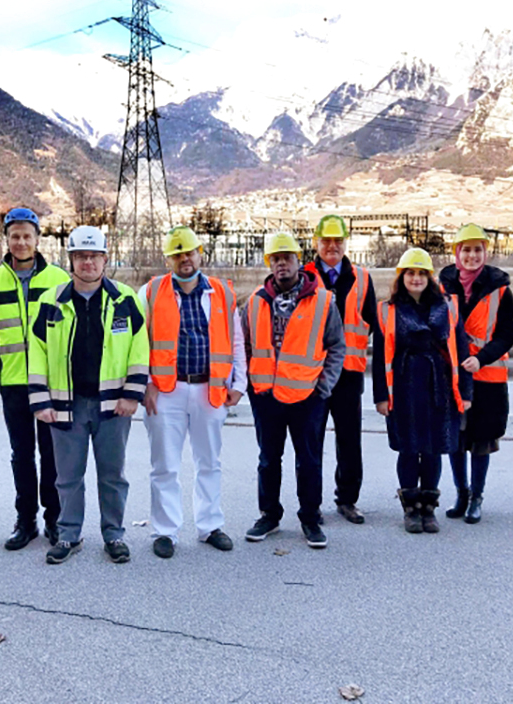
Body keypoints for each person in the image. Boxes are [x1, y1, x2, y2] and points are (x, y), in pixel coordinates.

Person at [29, 225, 148, 565]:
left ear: (105, 259)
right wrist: (41, 400)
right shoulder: (50, 301)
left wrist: (132, 394)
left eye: (94, 256)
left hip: (113, 405)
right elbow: (36, 351)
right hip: (66, 405)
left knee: (113, 475)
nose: (88, 263)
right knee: (67, 477)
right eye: (81, 256)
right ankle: (68, 534)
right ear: (70, 260)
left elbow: (139, 348)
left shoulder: (125, 299)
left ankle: (114, 535)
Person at [139, 226, 246, 558]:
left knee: (209, 462)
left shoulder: (221, 292)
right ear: (168, 259)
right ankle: (165, 531)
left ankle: (210, 526)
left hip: (209, 390)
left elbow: (236, 340)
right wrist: (145, 384)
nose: (184, 258)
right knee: (164, 466)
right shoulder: (150, 292)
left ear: (200, 254)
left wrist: (239, 384)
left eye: (189, 252)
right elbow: (138, 342)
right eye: (177, 254)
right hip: (165, 391)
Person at [241, 231, 345, 549]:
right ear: (269, 263)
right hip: (266, 397)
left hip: (307, 397)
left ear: (298, 261)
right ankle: (269, 515)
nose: (281, 264)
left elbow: (336, 346)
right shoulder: (255, 301)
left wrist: (323, 388)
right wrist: (252, 385)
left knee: (309, 461)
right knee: (268, 460)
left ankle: (310, 518)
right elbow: (243, 346)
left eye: (287, 258)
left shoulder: (323, 301)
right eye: (276, 259)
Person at [0, 208, 70, 551]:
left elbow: (69, 332)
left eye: (27, 236)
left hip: (51, 383)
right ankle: (26, 520)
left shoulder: (59, 278)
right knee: (21, 454)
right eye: (14, 236)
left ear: (37, 239)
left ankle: (54, 519)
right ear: (6, 239)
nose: (21, 242)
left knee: (52, 454)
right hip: (13, 381)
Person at [373, 248, 473, 534]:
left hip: (439, 387)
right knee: (408, 449)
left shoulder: (448, 307)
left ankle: (428, 508)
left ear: (430, 277)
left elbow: (461, 350)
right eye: (410, 273)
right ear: (401, 277)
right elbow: (380, 356)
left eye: (421, 273)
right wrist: (381, 396)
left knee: (433, 449)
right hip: (403, 387)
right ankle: (410, 508)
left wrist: (465, 392)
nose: (416, 278)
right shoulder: (388, 310)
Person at [438, 224, 513, 524]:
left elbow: (507, 334)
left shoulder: (500, 289)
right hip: (453, 377)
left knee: (482, 440)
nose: (472, 256)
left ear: (486, 253)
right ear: (456, 253)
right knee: (455, 439)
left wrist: (481, 358)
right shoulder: (442, 287)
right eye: (466, 250)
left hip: (487, 378)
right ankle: (461, 493)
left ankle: (477, 497)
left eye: (477, 250)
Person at [304, 214, 377, 525]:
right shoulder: (305, 276)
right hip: (313, 373)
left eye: (337, 241)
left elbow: (372, 322)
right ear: (316, 243)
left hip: (349, 373)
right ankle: (311, 503)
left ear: (346, 243)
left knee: (349, 441)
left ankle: (347, 500)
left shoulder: (362, 278)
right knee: (312, 441)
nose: (332, 246)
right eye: (326, 241)